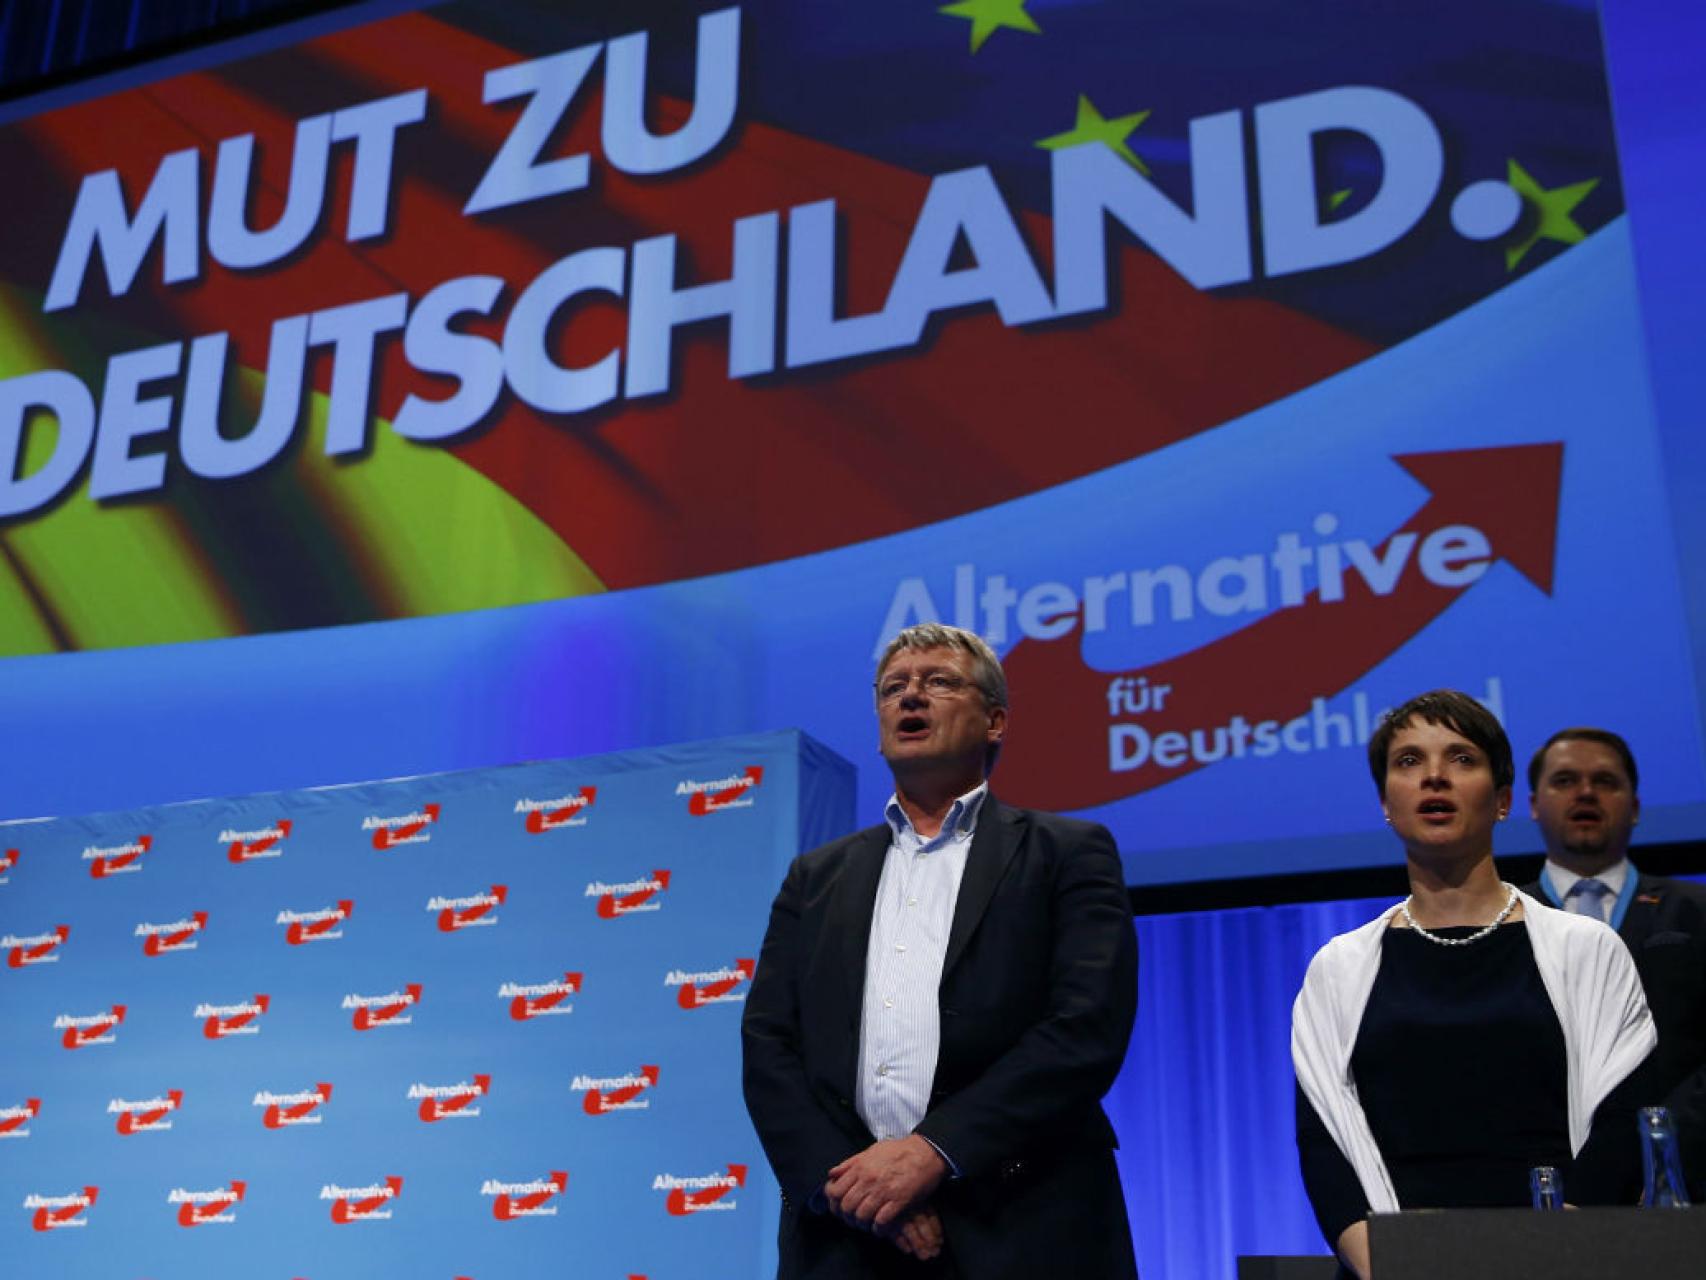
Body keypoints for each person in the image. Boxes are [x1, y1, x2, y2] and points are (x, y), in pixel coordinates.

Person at [741, 623, 1139, 1279]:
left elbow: (1084, 1028)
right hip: (848, 1238)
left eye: (939, 682)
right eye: (893, 687)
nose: (911, 698)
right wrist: (854, 1188)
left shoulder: (1067, 852)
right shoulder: (815, 877)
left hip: (1023, 1223)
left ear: (995, 721)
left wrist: (932, 1153)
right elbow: (769, 1042)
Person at [1292, 691, 1656, 1280]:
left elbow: (1622, 1123)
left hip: (1563, 1262)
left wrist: (1551, 1258)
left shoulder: (1584, 948)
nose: (1434, 776)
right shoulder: (1339, 966)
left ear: (1505, 799)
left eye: (1462, 759)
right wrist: (1389, 1267)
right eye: (1409, 762)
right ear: (1387, 802)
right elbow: (1325, 1145)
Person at [1521, 727, 1706, 1199]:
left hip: (1684, 1181)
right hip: (1543, 1194)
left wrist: (1660, 1142)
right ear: (1533, 806)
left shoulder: (1696, 910)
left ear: (1637, 807)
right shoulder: (1501, 921)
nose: (1585, 792)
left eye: (1605, 781)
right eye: (1564, 781)